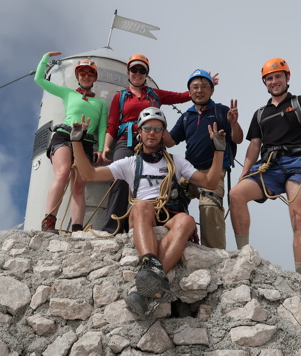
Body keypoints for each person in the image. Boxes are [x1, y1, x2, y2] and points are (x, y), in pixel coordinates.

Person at [70, 107, 226, 317]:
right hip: (144, 213)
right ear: (140, 133)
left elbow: (210, 182)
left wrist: (218, 151)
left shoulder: (176, 162)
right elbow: (88, 174)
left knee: (187, 221)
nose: (152, 132)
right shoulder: (130, 163)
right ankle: (151, 265)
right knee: (142, 205)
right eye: (147, 128)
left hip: (170, 212)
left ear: (163, 134)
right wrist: (77, 143)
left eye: (157, 129)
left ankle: (148, 285)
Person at [229, 58, 301, 275]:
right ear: (265, 82)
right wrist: (244, 173)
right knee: (236, 195)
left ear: (287, 77)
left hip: (297, 162)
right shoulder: (260, 114)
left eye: (278, 77)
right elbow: (254, 145)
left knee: (299, 217)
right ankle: (243, 255)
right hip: (269, 165)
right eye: (269, 78)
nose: (274, 81)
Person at [100, 54, 218, 234]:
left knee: (162, 180)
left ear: (146, 73)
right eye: (134, 69)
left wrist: (204, 87)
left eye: (142, 70)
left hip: (153, 143)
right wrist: (107, 146)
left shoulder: (155, 94)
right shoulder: (121, 96)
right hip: (127, 141)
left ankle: (161, 219)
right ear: (128, 72)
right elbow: (112, 124)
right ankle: (113, 227)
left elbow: (181, 96)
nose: (138, 73)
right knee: (120, 180)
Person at [163, 69, 243, 249]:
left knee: (210, 205)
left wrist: (233, 123)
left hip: (213, 171)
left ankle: (213, 253)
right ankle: (171, 241)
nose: (199, 90)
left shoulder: (222, 111)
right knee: (167, 199)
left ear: (212, 90)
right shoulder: (186, 117)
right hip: (189, 172)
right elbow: (170, 141)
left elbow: (237, 138)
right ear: (190, 92)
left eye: (204, 87)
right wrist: (157, 124)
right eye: (195, 87)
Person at [33, 51, 107, 233]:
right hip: (65, 134)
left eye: (90, 73)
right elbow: (39, 80)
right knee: (63, 172)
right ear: (77, 76)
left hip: (86, 142)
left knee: (79, 185)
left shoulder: (100, 103)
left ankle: (77, 229)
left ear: (95, 77)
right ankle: (49, 222)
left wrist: (101, 148)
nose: (87, 76)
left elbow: (102, 127)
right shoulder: (68, 93)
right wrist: (45, 58)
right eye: (83, 73)